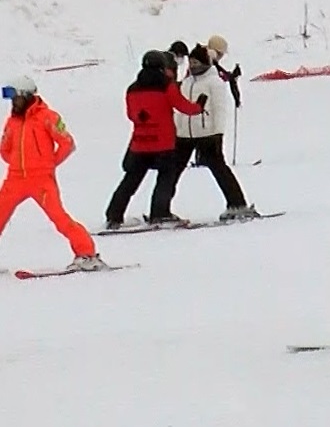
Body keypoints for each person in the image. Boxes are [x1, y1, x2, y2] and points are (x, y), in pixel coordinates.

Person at [0, 76, 105, 271]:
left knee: (59, 218)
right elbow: (4, 149)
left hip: (41, 180)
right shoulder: (12, 121)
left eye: (16, 98)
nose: (13, 103)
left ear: (26, 95)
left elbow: (67, 143)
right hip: (14, 179)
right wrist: (17, 164)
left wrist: (48, 164)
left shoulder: (48, 117)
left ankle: (87, 254)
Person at [103, 50, 204, 229]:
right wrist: (199, 106)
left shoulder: (132, 88)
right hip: (164, 142)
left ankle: (114, 215)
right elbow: (183, 106)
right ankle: (160, 213)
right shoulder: (166, 85)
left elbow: (131, 115)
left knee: (131, 179)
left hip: (140, 142)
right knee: (166, 177)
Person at [174, 44, 254, 222]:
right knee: (173, 170)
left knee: (219, 168)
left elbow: (219, 109)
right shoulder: (186, 82)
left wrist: (218, 133)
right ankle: (161, 210)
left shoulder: (214, 82)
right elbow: (180, 109)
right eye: (191, 62)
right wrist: (177, 129)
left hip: (207, 134)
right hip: (185, 135)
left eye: (196, 62)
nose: (193, 65)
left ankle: (237, 204)